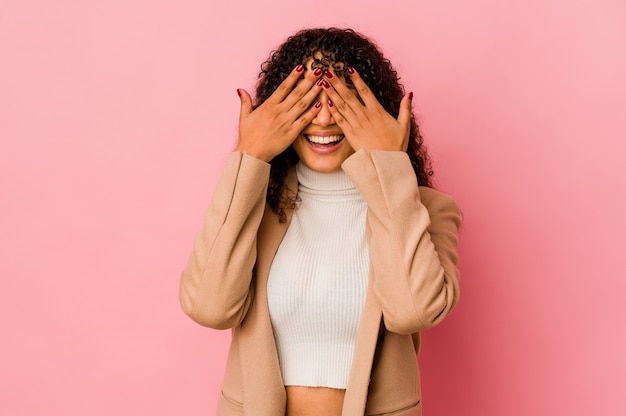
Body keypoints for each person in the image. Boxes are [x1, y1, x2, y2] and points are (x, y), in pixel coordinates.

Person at [180, 27, 461, 416]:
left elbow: (413, 311)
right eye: (308, 101)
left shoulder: (427, 211)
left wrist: (388, 166)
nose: (325, 118)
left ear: (372, 111)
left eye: (341, 102)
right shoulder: (254, 207)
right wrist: (249, 157)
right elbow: (209, 308)